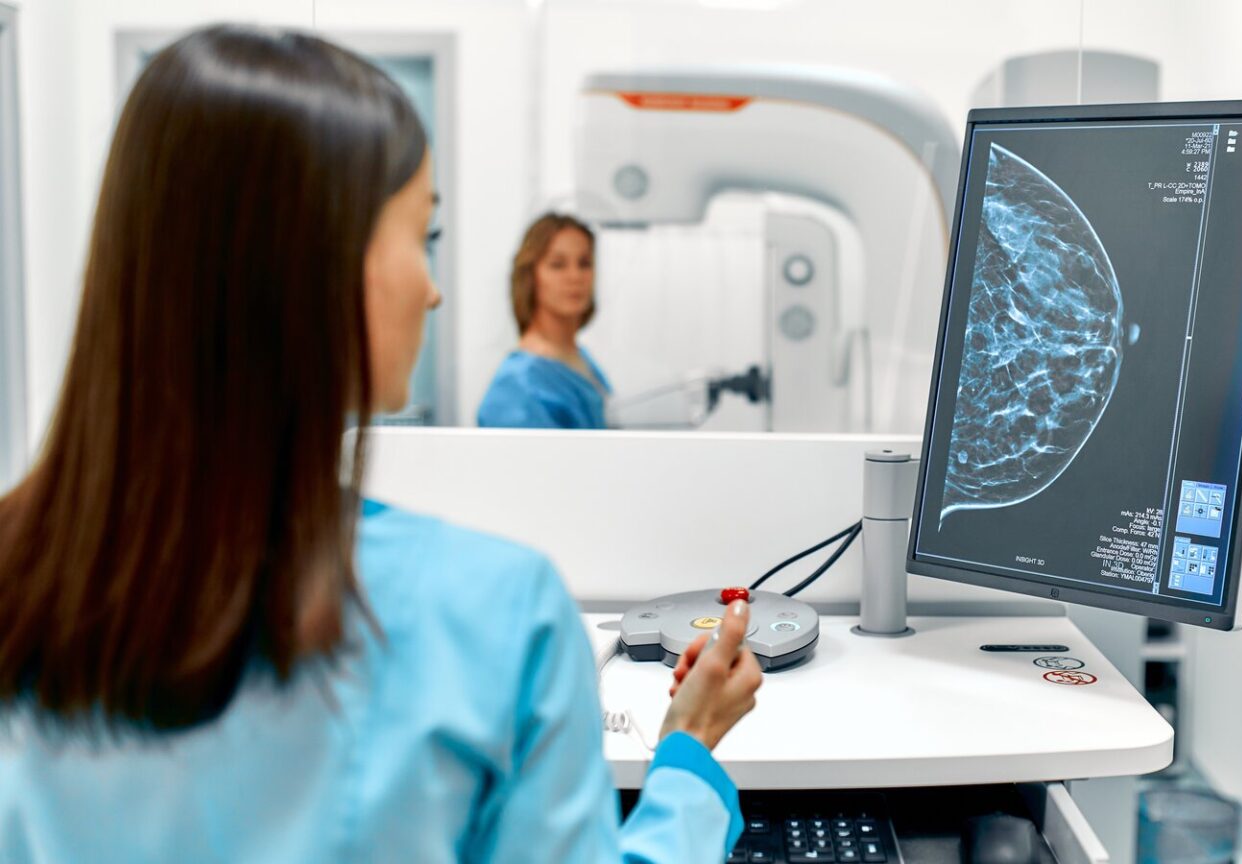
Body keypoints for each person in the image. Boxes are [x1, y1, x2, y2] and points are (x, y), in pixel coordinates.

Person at [0, 25, 760, 863]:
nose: (434, 291)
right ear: (318, 263)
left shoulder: (22, 580)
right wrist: (686, 757)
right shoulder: (495, 618)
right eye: (423, 237)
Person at [477, 213, 612, 429]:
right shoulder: (519, 383)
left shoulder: (578, 356)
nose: (575, 276)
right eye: (558, 265)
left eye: (584, 263)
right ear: (530, 276)